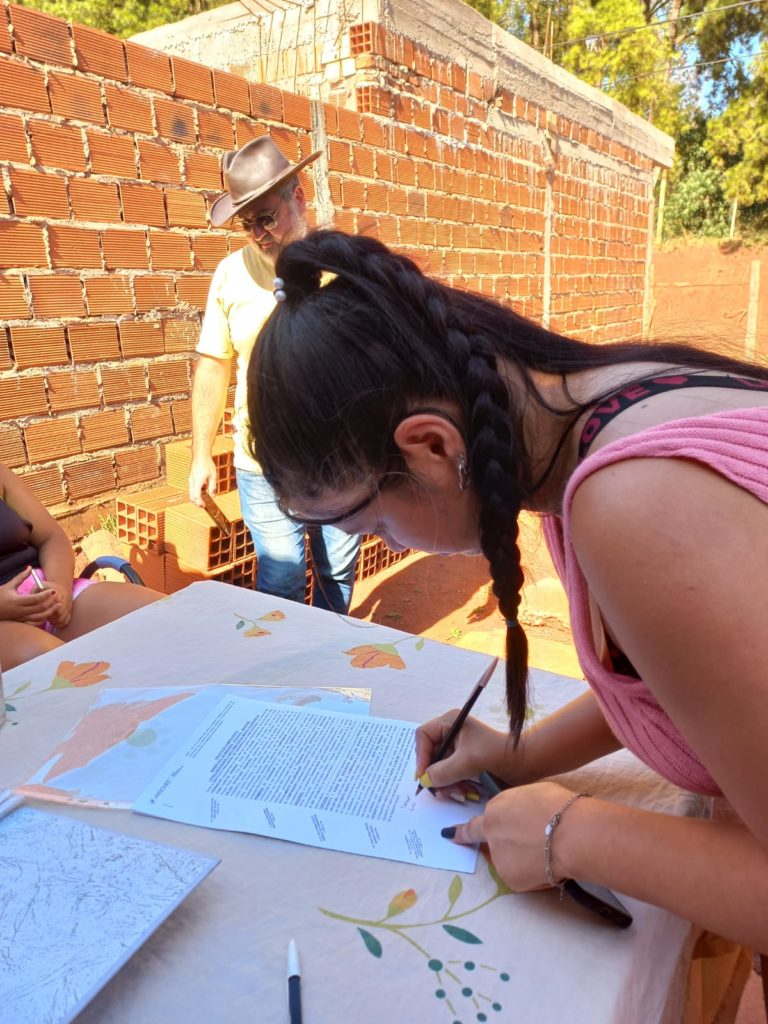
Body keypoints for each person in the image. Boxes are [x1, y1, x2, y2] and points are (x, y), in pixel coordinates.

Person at [245, 229, 768, 955]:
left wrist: (570, 834)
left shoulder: (633, 504)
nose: (387, 547)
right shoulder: (607, 408)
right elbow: (686, 677)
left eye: (368, 520)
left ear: (431, 447)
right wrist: (524, 756)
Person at [188, 137, 361, 613]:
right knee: (281, 579)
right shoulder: (229, 275)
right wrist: (201, 454)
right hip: (260, 462)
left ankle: (328, 667)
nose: (259, 233)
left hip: (338, 460)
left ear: (298, 198)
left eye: (267, 217)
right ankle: (284, 681)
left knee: (335, 575)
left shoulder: (341, 269)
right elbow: (213, 363)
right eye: (248, 225)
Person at [0, 464, 162, 670]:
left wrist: (60, 588)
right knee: (62, 671)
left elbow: (52, 537)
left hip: (45, 595)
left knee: (162, 617)